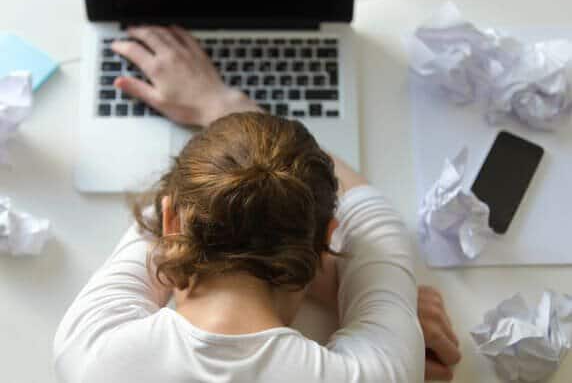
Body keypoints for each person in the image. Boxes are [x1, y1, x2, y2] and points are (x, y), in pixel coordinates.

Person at [53, 26, 461, 382]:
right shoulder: (380, 372)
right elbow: (374, 222)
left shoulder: (90, 353)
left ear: (171, 220)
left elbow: (168, 206)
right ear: (328, 242)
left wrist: (219, 111)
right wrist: (390, 301)